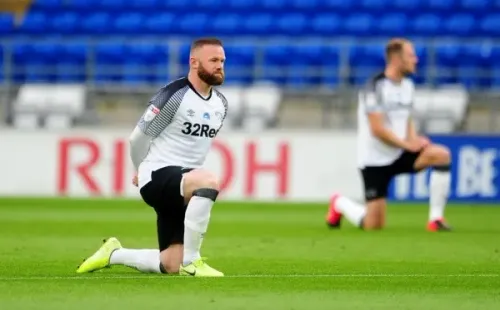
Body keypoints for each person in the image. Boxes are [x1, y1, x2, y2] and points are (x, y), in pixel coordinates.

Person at [76, 38, 228, 277]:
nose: (220, 65)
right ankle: (193, 263)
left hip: (183, 185)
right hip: (157, 175)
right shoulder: (174, 96)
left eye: (222, 61)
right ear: (194, 62)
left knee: (169, 264)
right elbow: (137, 138)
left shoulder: (220, 104)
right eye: (214, 60)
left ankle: (114, 254)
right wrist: (140, 169)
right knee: (209, 180)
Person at [326, 38, 452, 232]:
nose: (416, 60)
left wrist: (415, 139)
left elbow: (406, 119)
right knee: (373, 225)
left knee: (441, 155)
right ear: (395, 59)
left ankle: (435, 219)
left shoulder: (408, 86)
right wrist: (407, 145)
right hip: (375, 160)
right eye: (410, 55)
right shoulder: (375, 88)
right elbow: (377, 129)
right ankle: (339, 202)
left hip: (400, 153)